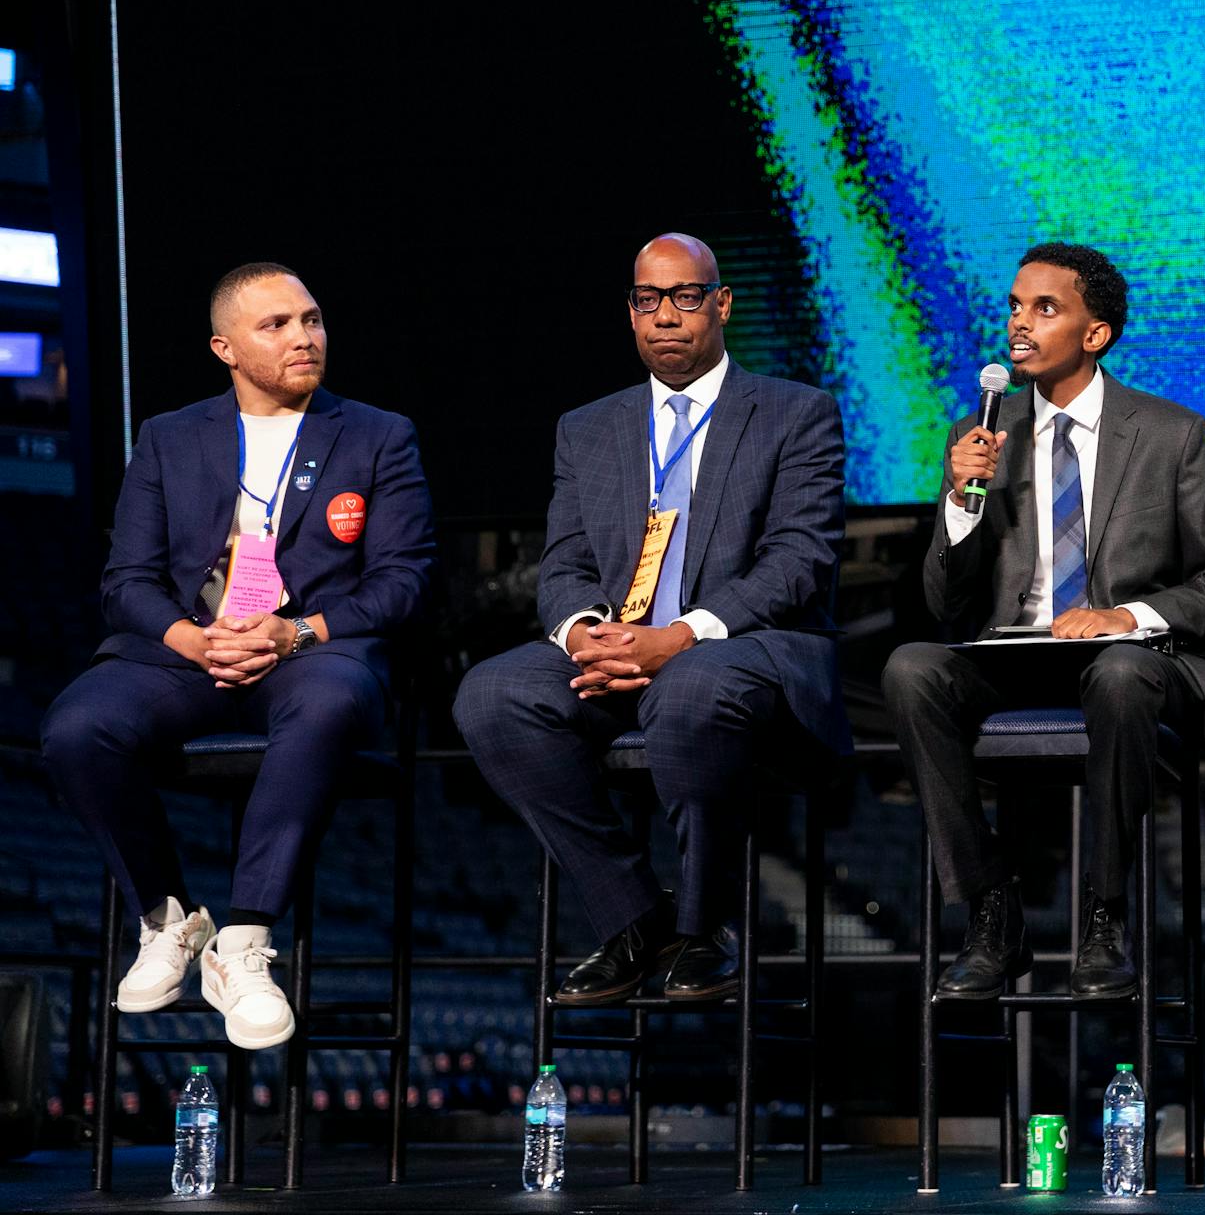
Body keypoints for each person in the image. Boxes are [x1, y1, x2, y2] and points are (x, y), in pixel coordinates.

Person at [40, 263, 435, 1049]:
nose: (304, 337)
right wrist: (192, 637)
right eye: (277, 325)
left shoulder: (377, 433)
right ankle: (168, 920)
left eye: (312, 319)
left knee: (330, 703)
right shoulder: (169, 435)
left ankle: (245, 940)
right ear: (225, 347)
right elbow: (126, 582)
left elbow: (406, 580)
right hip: (184, 654)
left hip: (307, 653)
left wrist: (302, 631)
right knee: (76, 729)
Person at [454, 233, 848, 1005]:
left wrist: (680, 636)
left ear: (722, 303)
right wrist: (581, 633)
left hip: (742, 647)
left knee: (691, 689)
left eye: (685, 296)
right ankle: (634, 917)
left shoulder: (797, 413)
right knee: (491, 697)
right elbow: (563, 562)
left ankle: (710, 928)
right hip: (621, 644)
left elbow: (800, 560)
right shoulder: (588, 427)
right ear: (630, 312)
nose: (665, 315)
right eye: (647, 299)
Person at [881, 243, 1205, 998]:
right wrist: (960, 503)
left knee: (1118, 674)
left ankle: (1104, 916)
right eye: (1015, 306)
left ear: (1095, 334)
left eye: (1044, 309)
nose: (1019, 324)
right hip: (1015, 656)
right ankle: (991, 909)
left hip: (1132, 660)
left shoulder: (1172, 434)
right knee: (910, 668)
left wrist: (1125, 615)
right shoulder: (977, 435)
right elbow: (946, 604)